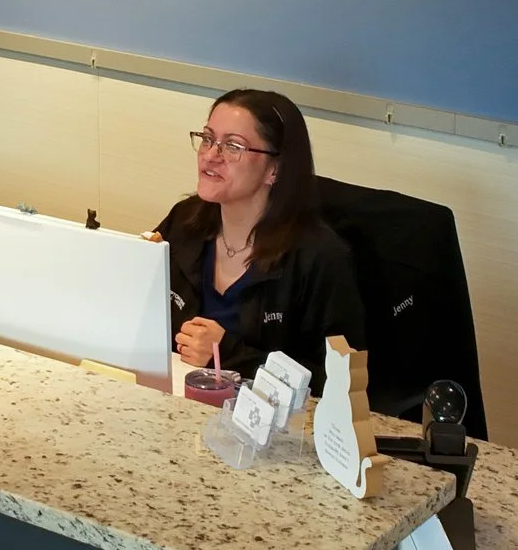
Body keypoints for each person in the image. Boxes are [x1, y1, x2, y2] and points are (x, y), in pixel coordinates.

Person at [151, 89, 366, 385]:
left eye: (233, 146)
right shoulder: (184, 221)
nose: (211, 155)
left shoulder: (319, 257)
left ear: (274, 170)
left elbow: (336, 378)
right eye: (208, 139)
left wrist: (225, 352)